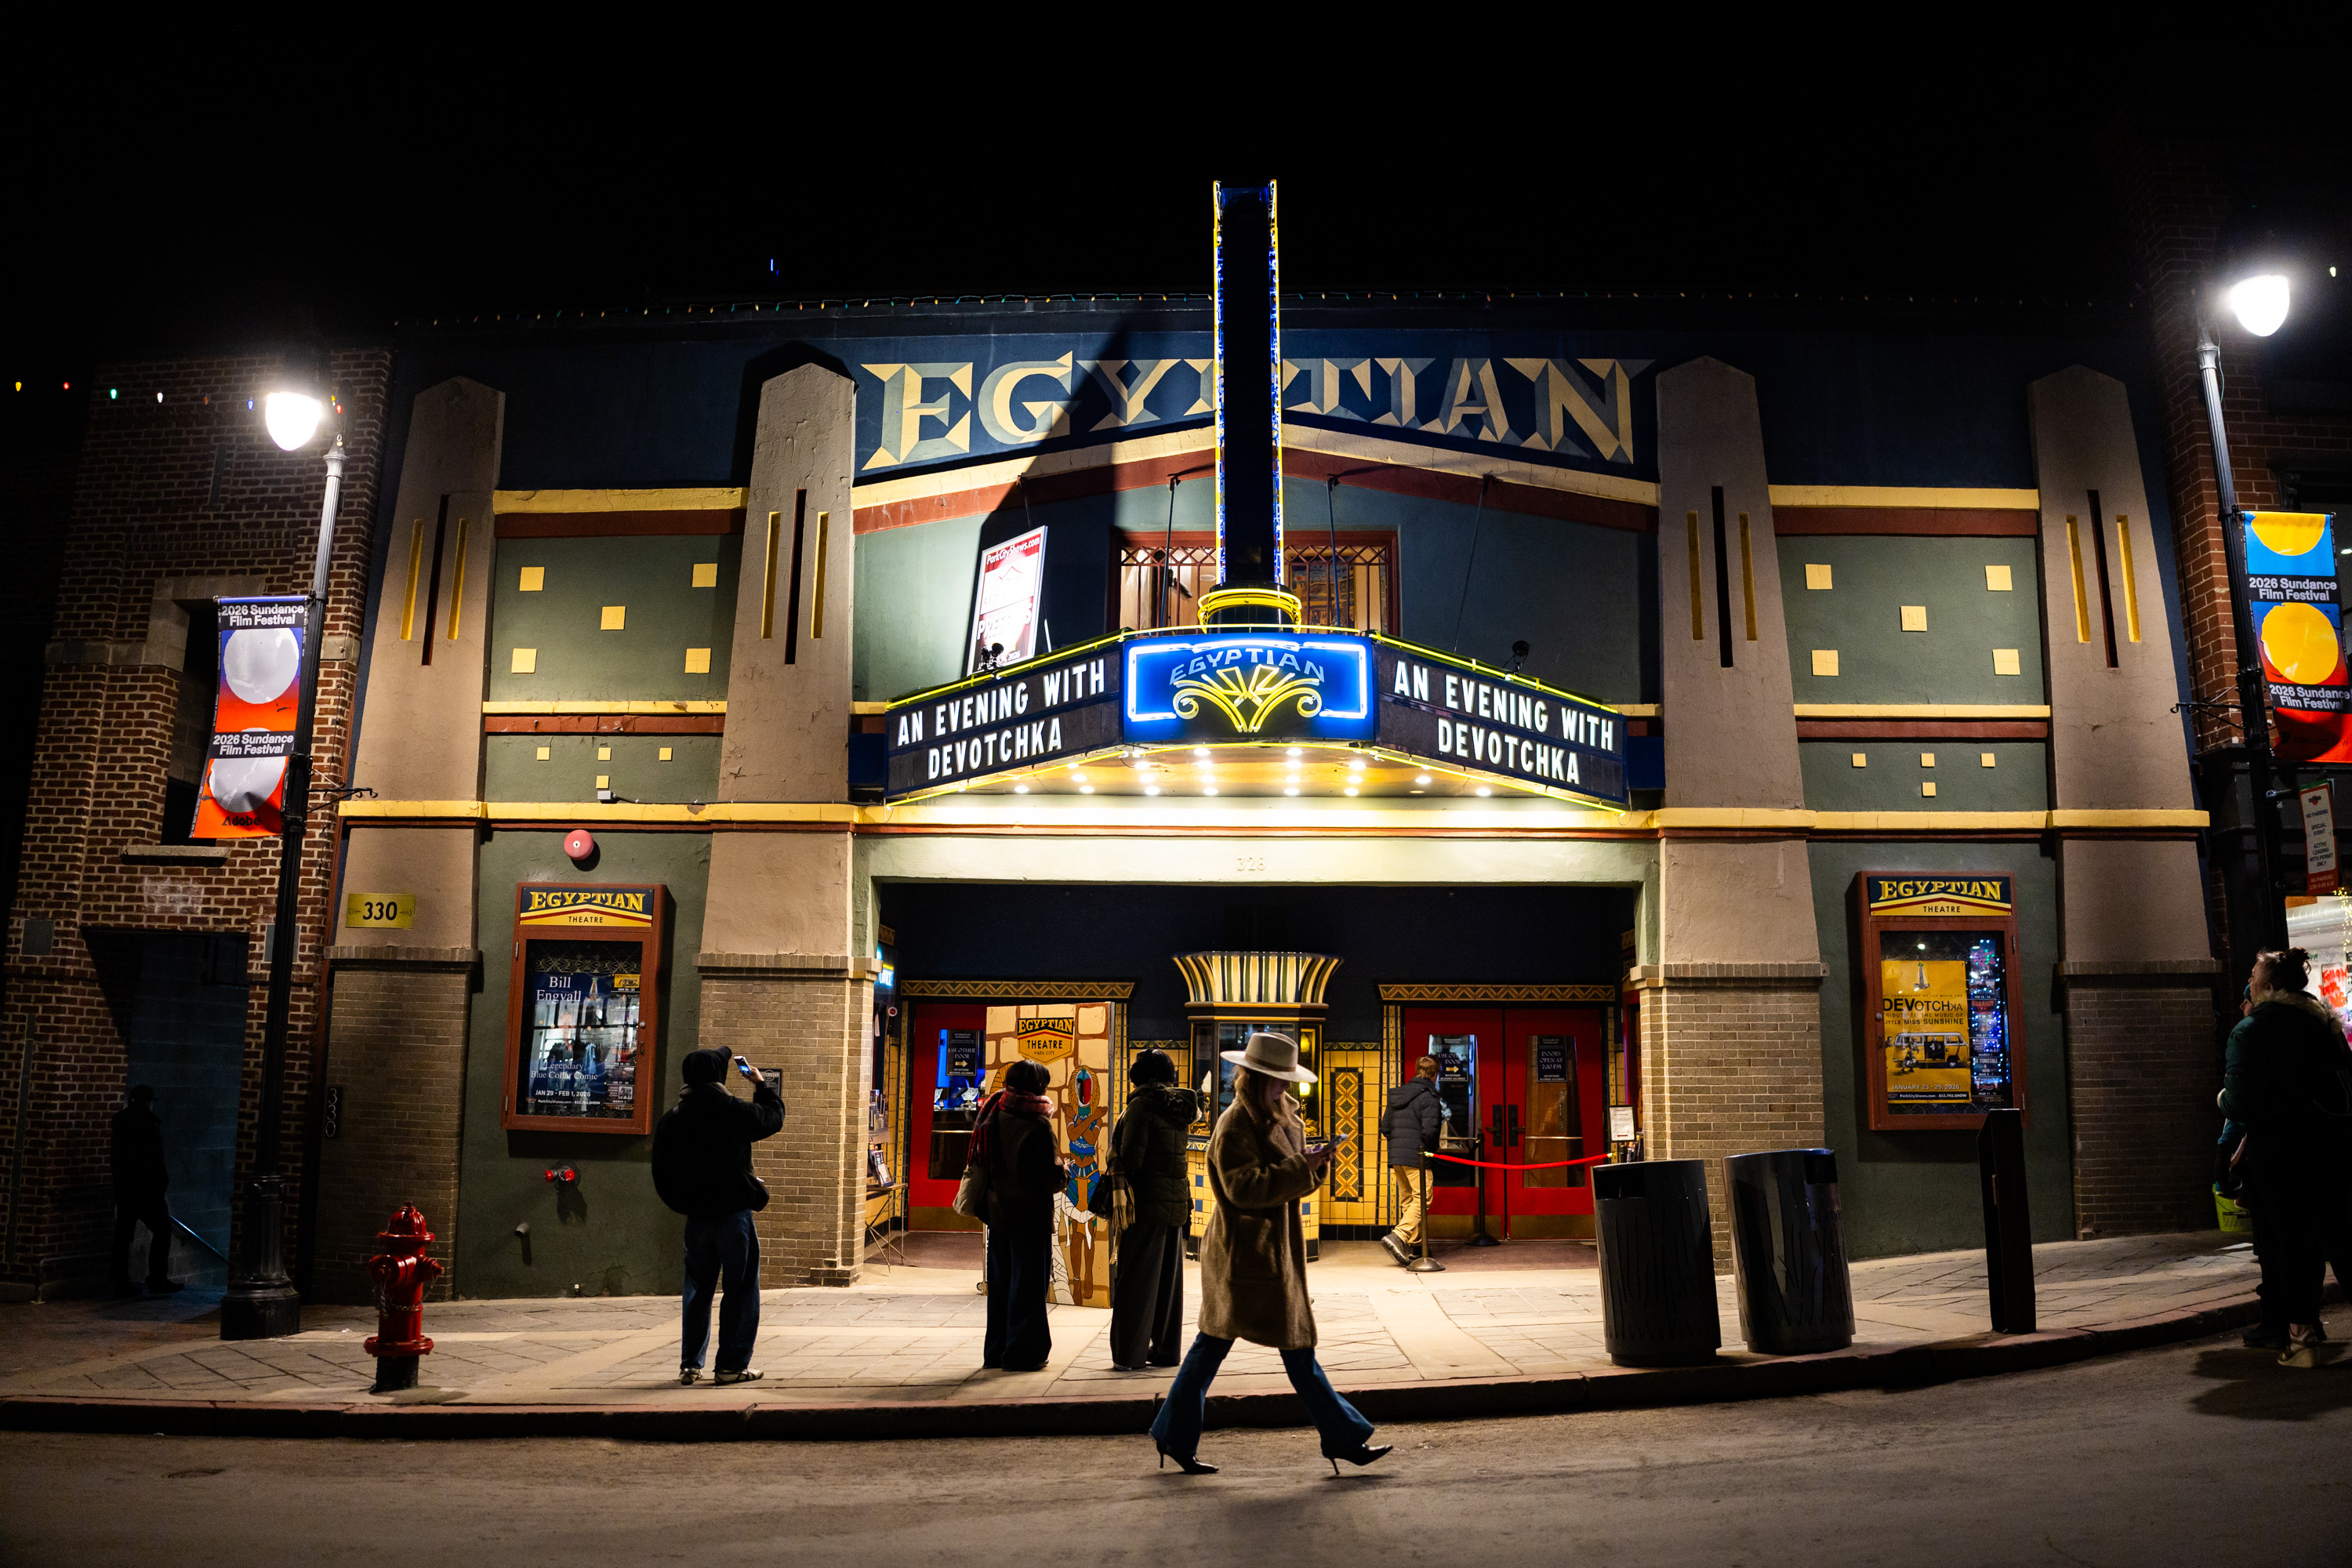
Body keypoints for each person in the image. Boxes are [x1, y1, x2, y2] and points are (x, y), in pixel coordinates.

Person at [1149, 1030, 1391, 1476]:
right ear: (1254, 1079)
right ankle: (1344, 1437)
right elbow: (1244, 1187)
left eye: (1286, 1080)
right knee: (1255, 1347)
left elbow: (1288, 1179)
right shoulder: (1236, 1122)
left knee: (1247, 1347)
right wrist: (1302, 1166)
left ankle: (1173, 1436)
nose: (1285, 1088)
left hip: (1271, 1253)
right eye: (1277, 1080)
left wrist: (1314, 1165)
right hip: (1246, 1254)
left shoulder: (1282, 1117)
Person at [2219, 949, 2352, 1367]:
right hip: (2329, 1144)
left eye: (2255, 975)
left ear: (2270, 986)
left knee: (2291, 1241)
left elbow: (2240, 1102)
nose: (2250, 980)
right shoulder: (2322, 1021)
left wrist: (2224, 1098)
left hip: (2277, 1150)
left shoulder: (2251, 1030)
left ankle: (2301, 1338)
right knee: (2338, 1238)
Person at [652, 1047, 785, 1386]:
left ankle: (690, 1365)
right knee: (739, 1289)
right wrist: (761, 1085)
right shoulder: (730, 1110)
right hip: (733, 1217)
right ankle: (730, 1366)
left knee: (697, 1289)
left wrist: (684, 1203)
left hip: (697, 1219)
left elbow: (662, 1172)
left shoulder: (674, 1118)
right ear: (719, 1076)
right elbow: (772, 1118)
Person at [1108, 1047, 1199, 1370]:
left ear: (1141, 1074)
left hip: (1145, 1205)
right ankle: (1165, 1352)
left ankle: (1129, 1354)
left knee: (1136, 1280)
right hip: (1176, 1204)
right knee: (1168, 1284)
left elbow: (1132, 1160)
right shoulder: (1179, 1108)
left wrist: (1113, 1155)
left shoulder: (1142, 1107)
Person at [975, 1058, 1063, 1371]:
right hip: (1029, 1215)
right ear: (1039, 1086)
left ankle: (996, 1352)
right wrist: (1064, 1170)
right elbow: (1051, 1178)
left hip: (998, 1214)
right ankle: (1024, 1354)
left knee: (1000, 1284)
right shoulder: (1038, 1125)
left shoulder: (994, 1113)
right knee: (1027, 1286)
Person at [108, 1084, 178, 1297]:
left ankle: (120, 1281)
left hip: (126, 1189)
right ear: (147, 1102)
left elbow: (117, 1160)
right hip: (147, 1191)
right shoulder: (149, 1125)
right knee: (163, 1229)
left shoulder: (120, 1125)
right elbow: (155, 1161)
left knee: (123, 1235)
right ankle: (157, 1278)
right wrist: (160, 1186)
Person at [1378, 1054, 1444, 1265]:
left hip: (1397, 1156)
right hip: (1418, 1156)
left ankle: (1416, 1248)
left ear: (1417, 1069)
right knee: (1423, 1198)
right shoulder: (1430, 1097)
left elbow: (1385, 1127)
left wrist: (1399, 1144)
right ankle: (1399, 1235)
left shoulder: (1398, 1094)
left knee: (1409, 1200)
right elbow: (1430, 1131)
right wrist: (1432, 1150)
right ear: (1434, 1073)